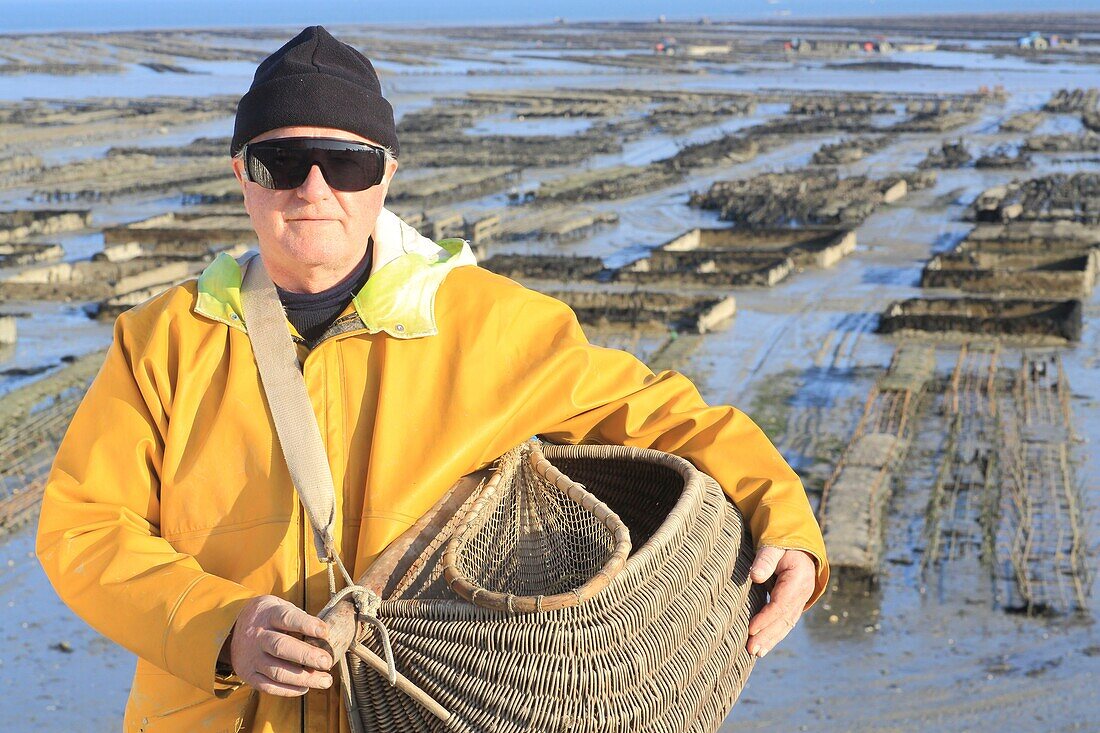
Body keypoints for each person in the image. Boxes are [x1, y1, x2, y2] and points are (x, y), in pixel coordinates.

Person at [36, 26, 830, 733]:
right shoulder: (162, 342)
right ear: (242, 174)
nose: (314, 189)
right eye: (283, 160)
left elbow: (663, 414)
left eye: (346, 162)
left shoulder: (488, 326)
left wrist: (785, 517)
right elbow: (82, 526)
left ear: (385, 177)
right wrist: (219, 626)